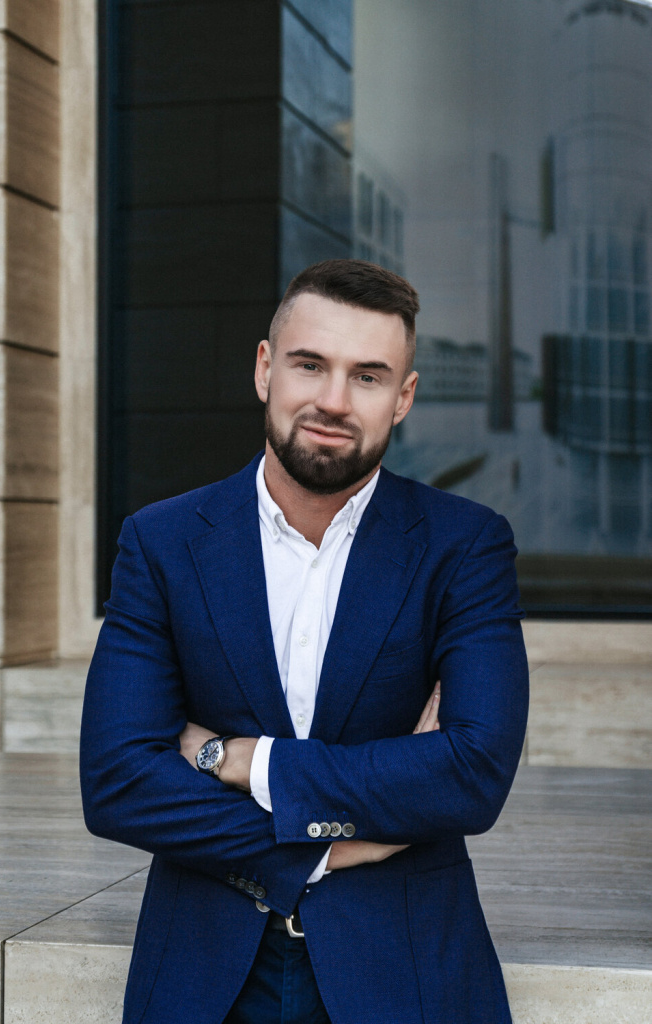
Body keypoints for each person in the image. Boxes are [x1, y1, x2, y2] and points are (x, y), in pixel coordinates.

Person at [80, 259, 529, 1024]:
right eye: (309, 365)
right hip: (202, 973)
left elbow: (470, 775)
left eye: (367, 376)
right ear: (265, 369)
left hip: (403, 970)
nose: (332, 401)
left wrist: (240, 759)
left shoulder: (464, 546)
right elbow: (118, 782)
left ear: (403, 398)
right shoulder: (161, 542)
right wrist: (322, 847)